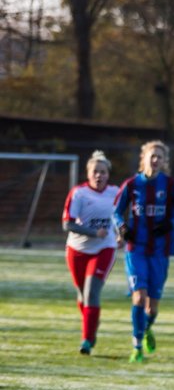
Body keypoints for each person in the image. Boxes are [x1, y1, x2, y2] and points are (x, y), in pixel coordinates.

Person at [113, 141, 174, 364]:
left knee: (152, 305)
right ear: (143, 157)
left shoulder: (170, 185)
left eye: (160, 157)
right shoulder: (130, 185)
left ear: (164, 162)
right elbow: (116, 212)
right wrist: (122, 227)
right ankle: (136, 347)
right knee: (139, 297)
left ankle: (147, 327)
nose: (155, 160)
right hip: (135, 248)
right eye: (152, 156)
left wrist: (171, 223)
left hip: (160, 250)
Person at [62, 150, 119, 355]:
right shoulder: (79, 193)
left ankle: (87, 340)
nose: (99, 175)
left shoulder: (116, 193)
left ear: (108, 174)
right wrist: (94, 232)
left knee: (91, 292)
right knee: (82, 295)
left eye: (103, 172)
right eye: (95, 171)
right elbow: (67, 224)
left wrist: (121, 233)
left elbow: (123, 218)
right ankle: (92, 321)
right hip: (77, 249)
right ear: (88, 173)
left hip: (104, 248)